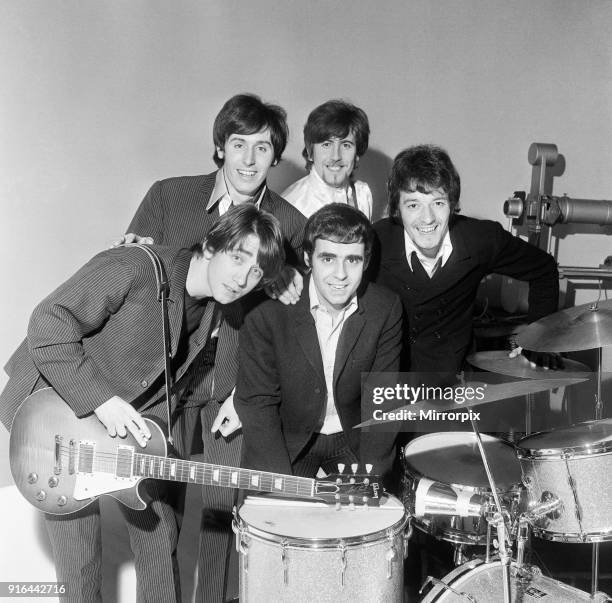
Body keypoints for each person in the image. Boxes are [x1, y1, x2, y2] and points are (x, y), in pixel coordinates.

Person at [0, 205, 285, 603]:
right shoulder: (135, 265)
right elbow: (47, 324)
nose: (243, 278)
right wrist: (102, 401)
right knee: (79, 557)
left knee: (158, 529)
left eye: (256, 272)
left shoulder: (215, 309)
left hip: (114, 428)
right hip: (50, 418)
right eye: (238, 258)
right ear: (211, 245)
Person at [117, 93, 307, 601]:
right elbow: (130, 282)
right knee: (154, 509)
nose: (249, 159)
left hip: (233, 387)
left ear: (275, 156)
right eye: (238, 144)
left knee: (223, 513)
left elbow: (293, 332)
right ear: (219, 148)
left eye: (262, 148)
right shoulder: (168, 198)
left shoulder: (289, 226)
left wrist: (248, 393)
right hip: (163, 377)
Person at [234, 203, 402, 486]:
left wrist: (368, 479)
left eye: (352, 260)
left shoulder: (385, 309)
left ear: (367, 261)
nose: (340, 274)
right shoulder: (267, 311)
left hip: (352, 439)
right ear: (308, 258)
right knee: (279, 522)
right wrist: (281, 487)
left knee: (369, 522)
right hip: (287, 441)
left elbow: (382, 406)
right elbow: (257, 404)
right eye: (328, 259)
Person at [371, 144, 561, 374]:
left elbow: (544, 269)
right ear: (397, 209)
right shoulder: (375, 241)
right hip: (390, 383)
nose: (427, 218)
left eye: (438, 203)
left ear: (452, 204)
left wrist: (537, 341)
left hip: (452, 385)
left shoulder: (480, 239)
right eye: (413, 205)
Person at [282, 100, 373, 220]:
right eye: (326, 144)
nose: (336, 156)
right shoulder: (291, 206)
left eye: (346, 145)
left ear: (357, 154)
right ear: (310, 152)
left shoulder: (362, 194)